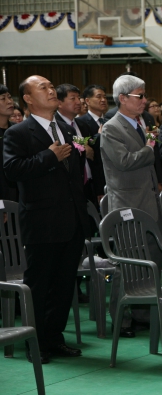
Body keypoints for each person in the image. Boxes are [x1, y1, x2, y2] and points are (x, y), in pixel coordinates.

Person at [3, 75, 90, 363]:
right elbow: (13, 170)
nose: (52, 90)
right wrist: (48, 157)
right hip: (42, 221)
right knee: (39, 286)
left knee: (64, 285)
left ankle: (54, 338)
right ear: (27, 99)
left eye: (52, 87)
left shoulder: (65, 128)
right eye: (43, 88)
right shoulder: (19, 133)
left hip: (72, 220)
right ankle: (34, 344)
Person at [100, 74, 162, 332]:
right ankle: (120, 319)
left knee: (151, 257)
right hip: (127, 204)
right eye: (140, 96)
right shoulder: (112, 127)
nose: (145, 101)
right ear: (122, 99)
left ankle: (143, 313)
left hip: (147, 202)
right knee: (127, 262)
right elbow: (123, 162)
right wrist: (149, 148)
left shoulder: (141, 122)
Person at [55, 84, 97, 207]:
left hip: (88, 184)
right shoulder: (55, 126)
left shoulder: (82, 124)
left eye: (79, 98)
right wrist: (83, 150)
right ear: (59, 103)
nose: (79, 102)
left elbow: (94, 158)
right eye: (73, 98)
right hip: (69, 189)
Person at [79, 84, 109, 203]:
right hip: (96, 180)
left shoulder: (109, 121)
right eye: (99, 96)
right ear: (87, 101)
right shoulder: (81, 123)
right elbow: (88, 147)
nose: (103, 100)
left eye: (105, 97)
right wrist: (99, 135)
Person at [0, 85, 18, 202]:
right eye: (3, 98)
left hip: (19, 194)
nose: (9, 101)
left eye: (9, 97)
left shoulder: (18, 130)